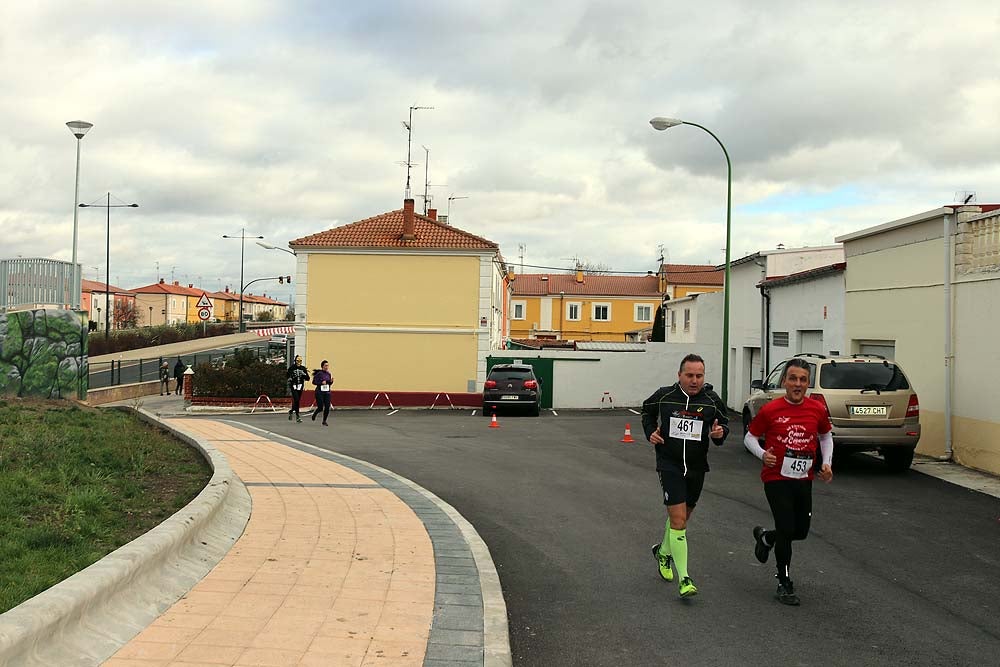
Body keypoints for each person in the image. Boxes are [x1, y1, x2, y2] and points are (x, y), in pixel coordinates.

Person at [744, 357, 833, 606]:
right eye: (793, 378)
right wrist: (763, 454)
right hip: (776, 478)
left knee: (800, 532)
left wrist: (827, 464)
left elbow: (826, 437)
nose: (797, 384)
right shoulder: (771, 409)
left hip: (803, 478)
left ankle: (767, 538)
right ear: (784, 381)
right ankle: (784, 582)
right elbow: (750, 437)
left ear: (808, 383)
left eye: (803, 380)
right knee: (786, 527)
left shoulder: (816, 409)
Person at [641, 353, 729, 598]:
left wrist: (720, 434)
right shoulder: (665, 396)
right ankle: (685, 579)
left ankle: (662, 552)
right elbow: (646, 412)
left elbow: (724, 424)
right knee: (678, 521)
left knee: (682, 518)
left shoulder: (711, 400)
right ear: (679, 375)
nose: (694, 380)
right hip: (669, 464)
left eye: (699, 375)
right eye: (689, 375)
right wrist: (651, 432)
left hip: (697, 467)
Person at [287, 355, 310, 423]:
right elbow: (287, 376)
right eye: (297, 361)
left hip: (300, 386)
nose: (299, 362)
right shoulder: (292, 368)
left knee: (297, 401)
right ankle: (297, 416)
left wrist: (303, 374)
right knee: (296, 399)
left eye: (300, 361)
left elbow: (308, 378)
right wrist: (291, 377)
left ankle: (291, 411)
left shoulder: (303, 368)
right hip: (294, 385)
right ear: (295, 361)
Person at [310, 359, 333, 426]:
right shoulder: (319, 374)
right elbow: (314, 382)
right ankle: (315, 413)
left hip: (327, 392)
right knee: (320, 407)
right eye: (325, 365)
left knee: (327, 407)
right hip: (319, 392)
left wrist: (331, 382)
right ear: (322, 366)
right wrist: (321, 383)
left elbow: (328, 383)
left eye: (327, 366)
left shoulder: (329, 374)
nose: (327, 367)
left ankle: (324, 421)